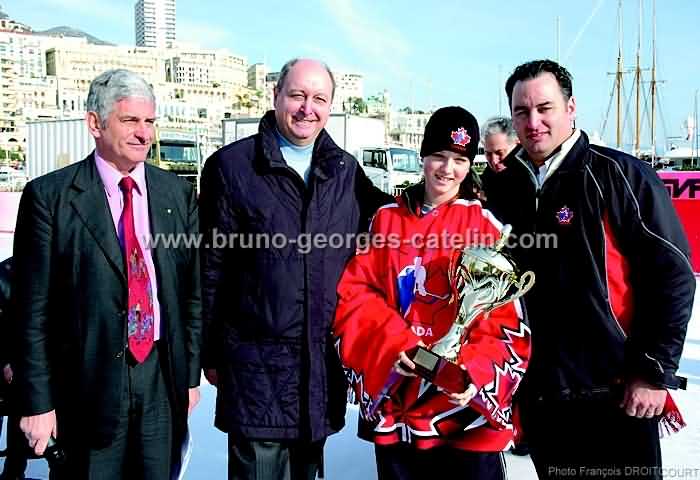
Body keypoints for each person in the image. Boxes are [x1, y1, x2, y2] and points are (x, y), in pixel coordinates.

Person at [488, 59, 695, 479]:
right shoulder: (505, 187)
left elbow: (672, 275)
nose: (533, 122)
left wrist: (653, 372)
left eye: (545, 108)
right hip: (541, 395)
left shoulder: (619, 174)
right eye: (522, 112)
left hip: (616, 394)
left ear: (571, 107)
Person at [199, 58, 392, 480]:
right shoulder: (232, 168)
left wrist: (457, 194)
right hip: (255, 371)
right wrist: (208, 353)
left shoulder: (345, 171)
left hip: (317, 373)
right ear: (276, 96)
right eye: (298, 95)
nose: (308, 108)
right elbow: (211, 270)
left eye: (319, 98)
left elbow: (397, 218)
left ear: (331, 106)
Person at [11, 69, 202, 479]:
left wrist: (188, 378)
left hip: (160, 379)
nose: (144, 133)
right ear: (95, 124)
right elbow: (31, 311)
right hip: (85, 385)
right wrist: (37, 402)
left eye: (149, 121)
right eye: (130, 120)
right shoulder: (50, 197)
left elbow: (190, 295)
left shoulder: (177, 194)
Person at [333, 106, 531, 480]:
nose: (447, 169)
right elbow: (355, 295)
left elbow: (506, 321)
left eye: (460, 160)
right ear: (423, 156)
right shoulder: (386, 219)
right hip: (399, 406)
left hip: (464, 417)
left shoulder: (485, 226)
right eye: (439, 155)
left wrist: (474, 372)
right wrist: (395, 344)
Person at [478, 116, 519, 201]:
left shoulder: (534, 180)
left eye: (500, 153)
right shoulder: (483, 182)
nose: (494, 161)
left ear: (517, 144)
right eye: (488, 154)